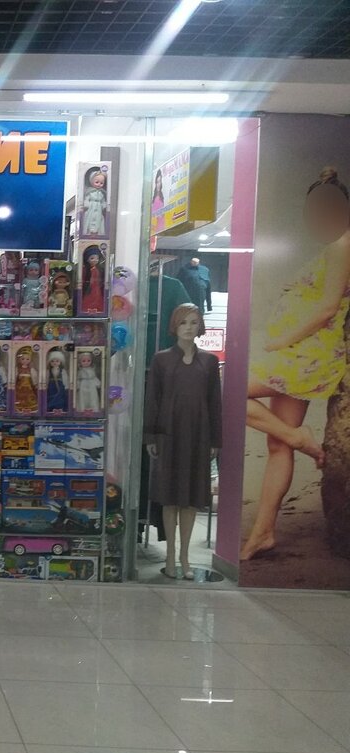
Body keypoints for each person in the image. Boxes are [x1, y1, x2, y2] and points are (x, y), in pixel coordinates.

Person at [241, 167, 350, 561]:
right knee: (278, 442)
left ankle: (302, 440)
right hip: (302, 353)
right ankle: (264, 532)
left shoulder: (343, 245)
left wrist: (280, 340)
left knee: (229, 392)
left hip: (305, 354)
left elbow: (327, 308)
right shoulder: (336, 246)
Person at [144, 304, 222, 579]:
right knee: (169, 498)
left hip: (199, 436)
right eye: (183, 322)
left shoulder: (209, 362)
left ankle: (185, 559)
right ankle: (170, 557)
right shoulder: (161, 360)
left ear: (200, 326)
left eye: (193, 322)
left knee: (190, 499)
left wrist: (215, 440)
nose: (189, 327)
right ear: (174, 326)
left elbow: (215, 403)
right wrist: (150, 435)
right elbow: (152, 400)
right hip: (168, 435)